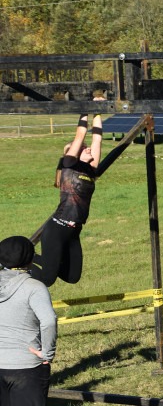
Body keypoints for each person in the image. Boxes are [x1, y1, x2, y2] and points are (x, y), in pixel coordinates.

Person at [0, 236, 56, 406]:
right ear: (30, 259)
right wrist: (48, 352)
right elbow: (48, 321)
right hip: (26, 367)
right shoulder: (34, 286)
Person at [32, 109, 103, 287]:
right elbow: (81, 133)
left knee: (73, 277)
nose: (88, 148)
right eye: (84, 148)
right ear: (76, 153)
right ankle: (19, 265)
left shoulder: (91, 168)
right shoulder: (69, 165)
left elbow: (98, 139)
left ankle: (33, 257)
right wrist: (86, 109)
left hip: (74, 231)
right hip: (58, 227)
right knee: (47, 280)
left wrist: (98, 113)